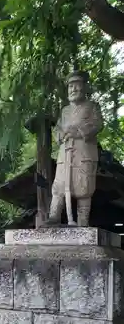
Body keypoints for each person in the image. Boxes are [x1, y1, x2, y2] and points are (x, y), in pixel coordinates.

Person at [48, 70, 103, 227]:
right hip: (65, 154)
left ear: (84, 87)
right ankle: (54, 217)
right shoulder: (65, 110)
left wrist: (78, 132)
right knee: (58, 186)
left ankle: (83, 223)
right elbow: (57, 128)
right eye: (70, 86)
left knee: (84, 189)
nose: (73, 89)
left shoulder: (92, 106)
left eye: (76, 85)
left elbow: (98, 125)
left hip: (84, 153)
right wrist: (60, 135)